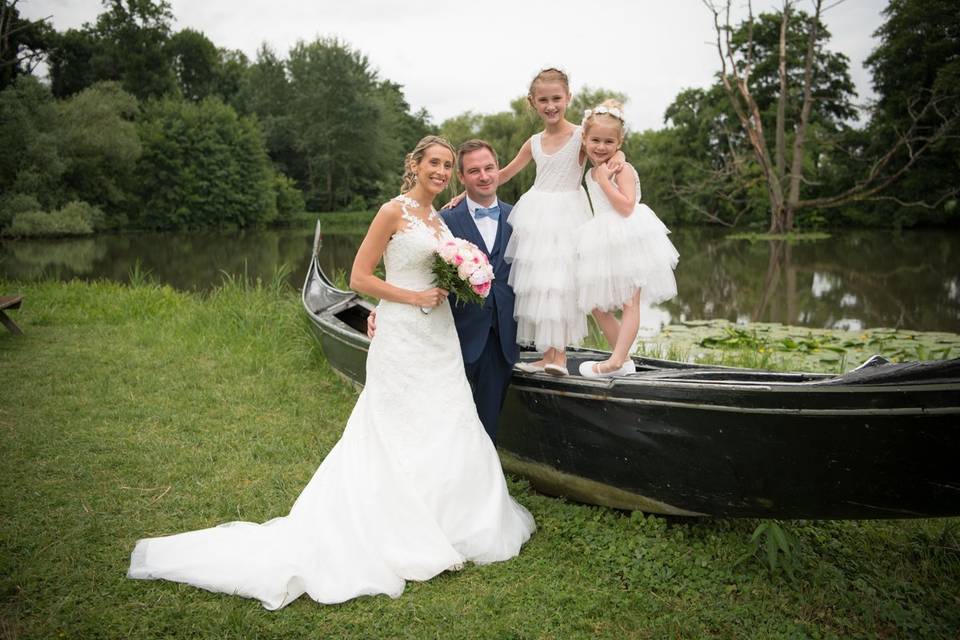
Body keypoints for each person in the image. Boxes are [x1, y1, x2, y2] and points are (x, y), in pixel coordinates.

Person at [127, 136, 535, 609]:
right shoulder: (392, 212)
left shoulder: (439, 219)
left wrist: (457, 280)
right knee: (396, 423)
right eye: (435, 163)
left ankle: (452, 520)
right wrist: (411, 299)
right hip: (406, 330)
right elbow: (360, 279)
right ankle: (389, 525)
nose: (442, 171)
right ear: (416, 165)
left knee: (446, 418)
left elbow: (446, 257)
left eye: (448, 165)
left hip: (438, 335)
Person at [369, 139, 517, 442]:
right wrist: (381, 307)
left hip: (502, 336)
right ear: (462, 178)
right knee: (438, 413)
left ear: (499, 170)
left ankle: (479, 476)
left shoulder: (519, 218)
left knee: (487, 420)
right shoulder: (443, 220)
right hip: (452, 334)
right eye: (473, 171)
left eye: (490, 168)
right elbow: (415, 266)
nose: (484, 176)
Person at [495, 68, 622, 376]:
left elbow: (605, 148)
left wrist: (618, 161)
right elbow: (502, 175)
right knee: (541, 286)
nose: (550, 106)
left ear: (568, 98)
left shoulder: (581, 135)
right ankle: (547, 354)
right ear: (532, 102)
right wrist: (465, 195)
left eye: (556, 98)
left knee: (562, 284)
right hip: (537, 215)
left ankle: (561, 358)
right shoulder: (534, 142)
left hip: (568, 215)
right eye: (543, 100)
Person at [575, 101, 679, 377]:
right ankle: (625, 359)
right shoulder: (592, 169)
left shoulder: (622, 169)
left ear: (619, 142)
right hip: (602, 240)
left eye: (609, 142)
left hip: (629, 236)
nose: (601, 146)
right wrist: (600, 174)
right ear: (584, 139)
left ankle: (615, 361)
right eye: (595, 140)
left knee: (629, 303)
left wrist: (606, 181)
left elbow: (626, 206)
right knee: (595, 305)